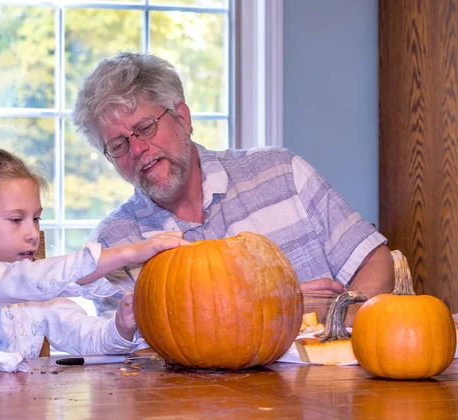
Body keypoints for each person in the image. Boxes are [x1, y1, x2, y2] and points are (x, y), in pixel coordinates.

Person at [72, 52, 395, 325]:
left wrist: (344, 321)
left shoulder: (281, 171)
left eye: (145, 127)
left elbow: (373, 260)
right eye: (118, 145)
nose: (138, 149)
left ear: (182, 118)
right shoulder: (113, 245)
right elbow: (135, 357)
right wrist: (281, 307)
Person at [0, 148, 185, 361]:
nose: (32, 233)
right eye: (16, 219)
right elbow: (19, 281)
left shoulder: (38, 292)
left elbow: (85, 337)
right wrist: (128, 252)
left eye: (36, 218)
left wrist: (121, 327)